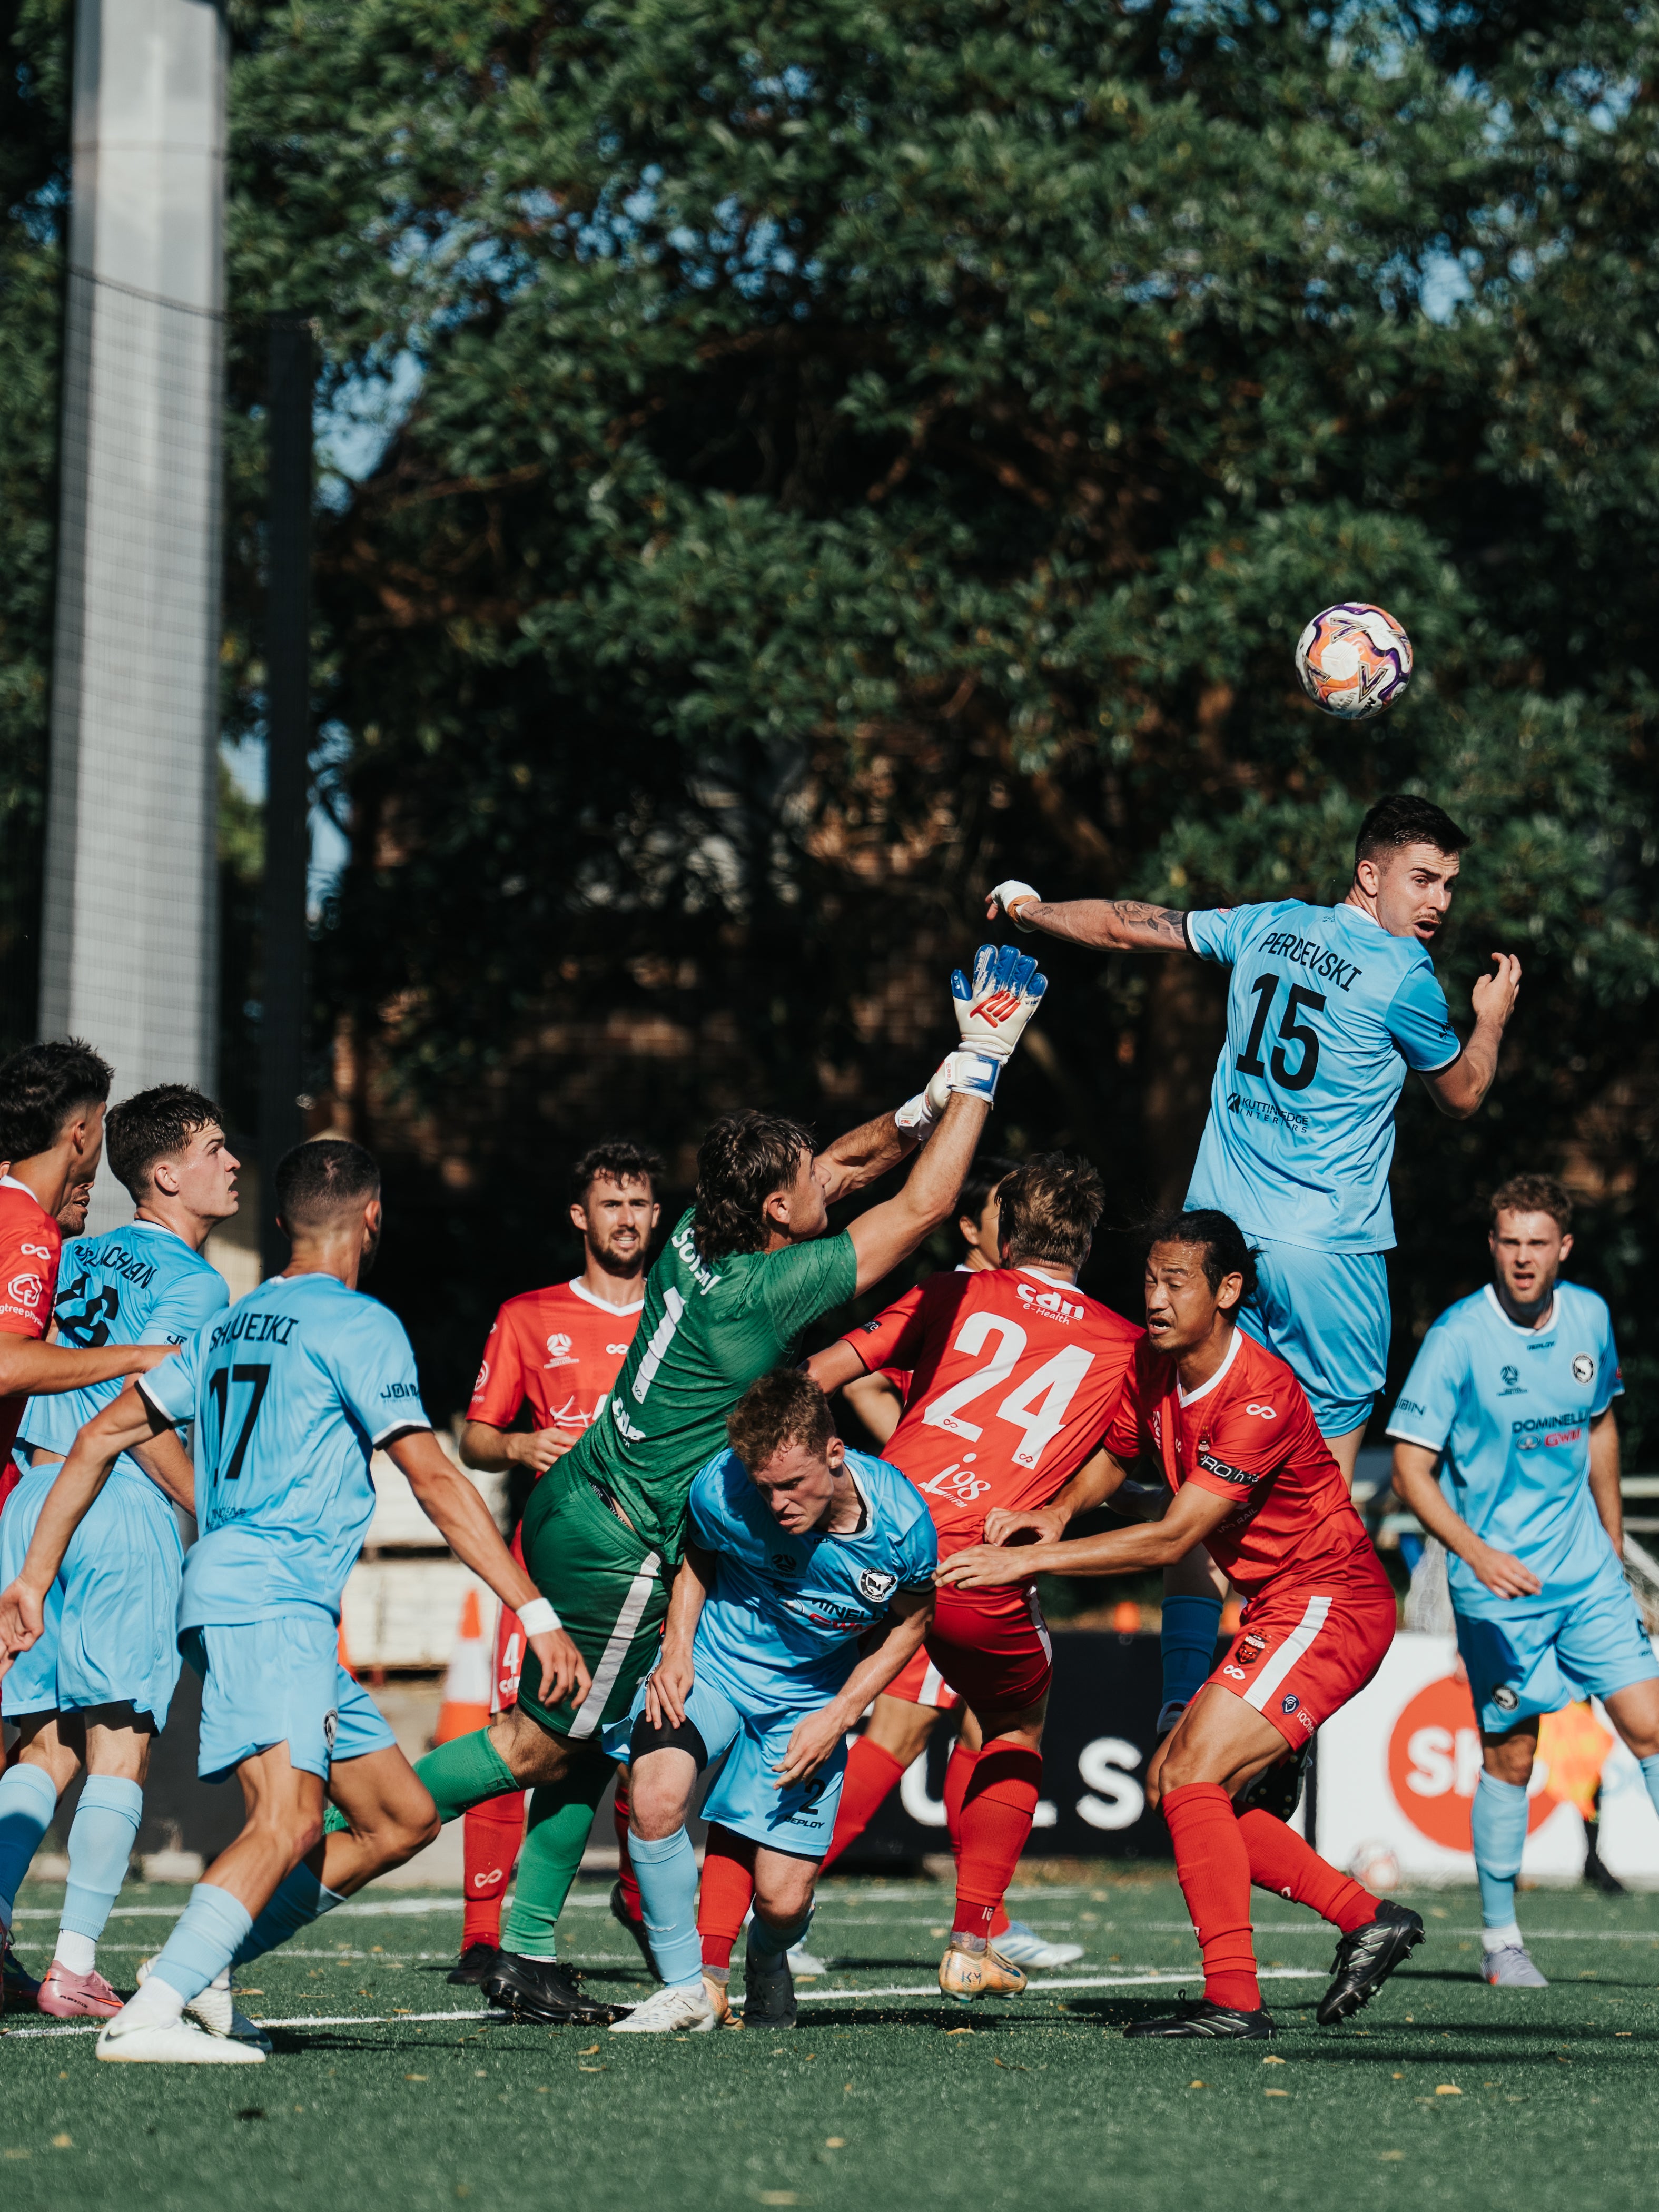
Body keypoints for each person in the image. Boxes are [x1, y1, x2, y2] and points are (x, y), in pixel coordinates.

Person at [405, 943, 1048, 2029]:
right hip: (627, 1540)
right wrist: (985, 1060)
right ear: (779, 1218)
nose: (822, 1184)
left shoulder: (705, 1238)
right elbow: (924, 1207)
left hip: (584, 1507)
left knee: (593, 1737)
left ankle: (521, 1946)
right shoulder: (758, 1294)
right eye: (804, 1184)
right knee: (546, 1743)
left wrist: (926, 1094)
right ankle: (342, 1829)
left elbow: (844, 1168)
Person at [0, 1138, 576, 2063]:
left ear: (280, 1225)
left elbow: (103, 1434)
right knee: (291, 1819)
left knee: (399, 1818)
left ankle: (207, 1965)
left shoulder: (229, 1323)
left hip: (240, 1598)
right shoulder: (360, 1323)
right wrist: (534, 1610)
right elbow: (432, 1478)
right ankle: (150, 2013)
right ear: (374, 1217)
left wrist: (34, 1573)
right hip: (269, 1601)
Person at [986, 797, 1523, 1736]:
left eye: (1448, 885)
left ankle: (1181, 1692)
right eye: (1423, 878)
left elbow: (1122, 925)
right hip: (1329, 1261)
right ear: (1371, 874)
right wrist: (1489, 1019)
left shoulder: (1269, 925)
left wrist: (1030, 912)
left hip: (1220, 1249)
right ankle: (1274, 1708)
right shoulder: (1408, 979)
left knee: (1198, 1477)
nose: (1439, 901)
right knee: (1312, 1498)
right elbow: (1465, 1097)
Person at [940, 1210, 1420, 2040]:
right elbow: (1117, 1459)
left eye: (1174, 1284)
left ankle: (1234, 2002)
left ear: (1227, 1291)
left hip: (1332, 1602)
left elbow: (1171, 1535)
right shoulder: (1151, 1364)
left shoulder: (1260, 1395)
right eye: (1149, 1281)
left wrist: (1027, 1561)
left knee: (1192, 1772)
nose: (1153, 1300)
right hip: (1284, 1605)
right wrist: (1056, 1513)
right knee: (1179, 1784)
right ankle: (1364, 1916)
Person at [798, 1153, 1140, 2001]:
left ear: (1004, 1230)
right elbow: (1136, 1455)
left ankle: (981, 1917)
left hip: (880, 1518)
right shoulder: (1122, 1340)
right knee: (937, 1730)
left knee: (965, 1724)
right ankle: (791, 1903)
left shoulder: (954, 1294)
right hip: (964, 1550)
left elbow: (832, 1374)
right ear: (1087, 1242)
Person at [1, 1088, 240, 2020]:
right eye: (215, 1149)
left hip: (31, 1507)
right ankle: (75, 1964)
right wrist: (214, 1513)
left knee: (43, 1747)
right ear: (164, 1174)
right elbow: (140, 1426)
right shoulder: (197, 1284)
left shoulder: (69, 1249)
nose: (230, 1164)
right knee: (120, 1744)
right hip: (117, 1512)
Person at [1388, 1174, 1659, 1989]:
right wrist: (1475, 1554)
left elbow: (1601, 1420)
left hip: (1585, 1577)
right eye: (1508, 1242)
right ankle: (1500, 1939)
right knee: (1512, 1758)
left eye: (1537, 1243)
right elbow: (1409, 1468)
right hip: (1498, 1590)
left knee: (1649, 1726)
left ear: (1563, 1248)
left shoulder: (1588, 1317)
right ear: (1493, 1247)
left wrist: (1609, 1541)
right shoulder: (1456, 1339)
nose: (1521, 1258)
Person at [611, 1369, 937, 2035]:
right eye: (766, 1488)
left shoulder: (904, 1528)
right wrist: (677, 1650)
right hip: (715, 1672)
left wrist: (841, 1713)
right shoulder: (723, 1489)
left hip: (808, 1703)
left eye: (793, 1485)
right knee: (654, 1798)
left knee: (783, 1901)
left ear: (836, 1454)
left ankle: (767, 1956)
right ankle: (685, 1989)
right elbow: (698, 1555)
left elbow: (912, 1621)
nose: (778, 1504)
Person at [448, 1140, 661, 1988]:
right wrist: (522, 1442)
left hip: (649, 1570)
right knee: (519, 1730)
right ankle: (480, 1934)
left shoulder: (679, 1319)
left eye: (640, 1204)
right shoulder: (528, 1315)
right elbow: (474, 1438)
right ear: (580, 1217)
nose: (626, 1220)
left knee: (618, 1749)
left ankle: (629, 1910)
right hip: (545, 1566)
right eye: (610, 1205)